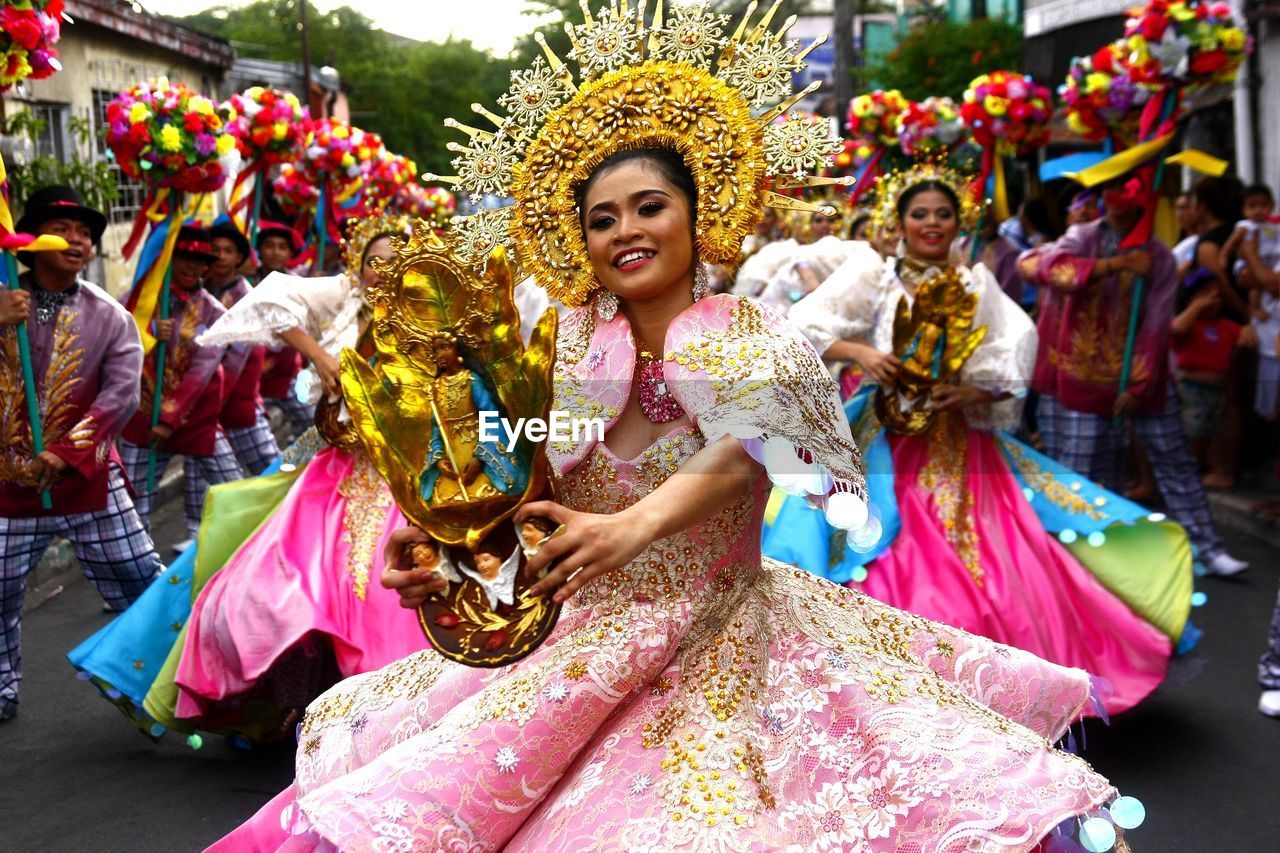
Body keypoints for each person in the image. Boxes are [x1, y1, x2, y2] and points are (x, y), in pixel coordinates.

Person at [215, 9, 1137, 847]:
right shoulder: (566, 345)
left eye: (649, 207)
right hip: (576, 647)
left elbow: (751, 455)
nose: (625, 230)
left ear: (701, 216)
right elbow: (529, 491)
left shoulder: (745, 333)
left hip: (724, 645)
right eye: (600, 218)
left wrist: (631, 525)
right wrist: (449, 560)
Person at [766, 165, 1190, 714]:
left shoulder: (975, 284)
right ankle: (887, 696)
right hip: (881, 433)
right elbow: (802, 327)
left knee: (989, 557)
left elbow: (1014, 352)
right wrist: (863, 353)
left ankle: (995, 690)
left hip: (955, 440)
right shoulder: (873, 274)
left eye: (943, 213)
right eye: (920, 213)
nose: (932, 223)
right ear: (900, 222)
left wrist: (971, 394)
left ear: (958, 222)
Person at [168, 215, 423, 740]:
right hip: (336, 467)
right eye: (374, 261)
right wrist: (320, 355)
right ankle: (299, 707)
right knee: (276, 592)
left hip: (405, 474)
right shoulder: (343, 299)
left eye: (396, 262)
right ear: (358, 268)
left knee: (378, 597)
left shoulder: (433, 314)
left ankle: (384, 713)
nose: (384, 272)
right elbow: (271, 299)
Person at [1021, 178, 1249, 577]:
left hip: (1139, 374)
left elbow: (1157, 325)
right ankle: (1074, 550)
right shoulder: (1080, 237)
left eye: (1130, 198)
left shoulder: (1158, 256)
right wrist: (1114, 266)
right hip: (1077, 373)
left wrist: (1139, 385)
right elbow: (1040, 268)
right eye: (1111, 195)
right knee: (1081, 466)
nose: (1119, 206)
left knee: (1175, 457)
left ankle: (1205, 546)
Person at [0, 186, 162, 723]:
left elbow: (121, 394)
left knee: (141, 575)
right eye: (64, 229)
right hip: (7, 489)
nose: (78, 240)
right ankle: (2, 687)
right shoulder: (1, 302)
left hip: (88, 480)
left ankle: (166, 678)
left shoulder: (111, 316)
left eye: (86, 234)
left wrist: (68, 452)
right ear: (29, 240)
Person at [119, 224, 244, 542]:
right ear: (167, 259)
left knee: (235, 488)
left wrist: (169, 420)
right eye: (183, 257)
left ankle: (246, 558)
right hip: (143, 420)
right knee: (133, 507)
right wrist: (145, 332)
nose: (192, 266)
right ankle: (144, 579)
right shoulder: (138, 301)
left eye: (200, 260)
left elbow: (201, 373)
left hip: (194, 418)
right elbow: (115, 350)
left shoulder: (215, 312)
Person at [164, 218, 280, 556]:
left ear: (241, 257)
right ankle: (197, 530)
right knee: (197, 466)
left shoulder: (247, 296)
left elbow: (234, 359)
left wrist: (206, 400)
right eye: (215, 250)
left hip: (236, 400)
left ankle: (279, 522)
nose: (221, 256)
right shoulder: (195, 294)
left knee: (265, 464)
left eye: (229, 251)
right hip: (199, 402)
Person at [1170, 270, 1242, 468]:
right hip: (1191, 389)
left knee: (1212, 433)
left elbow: (1244, 335)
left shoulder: (1226, 326)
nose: (1212, 300)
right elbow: (1177, 329)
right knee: (1191, 432)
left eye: (1217, 296)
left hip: (1218, 392)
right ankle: (1186, 469)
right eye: (1205, 293)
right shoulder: (1188, 324)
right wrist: (1197, 305)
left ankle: (1207, 469)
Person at [254, 221, 313, 441]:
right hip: (253, 378)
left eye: (282, 247)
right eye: (269, 245)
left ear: (289, 252)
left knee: (315, 425)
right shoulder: (247, 283)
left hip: (289, 375)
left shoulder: (299, 285)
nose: (275, 252)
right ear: (259, 250)